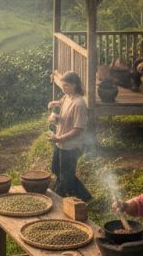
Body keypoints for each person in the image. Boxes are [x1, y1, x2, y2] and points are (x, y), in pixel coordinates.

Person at [47, 71, 92, 202]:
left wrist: (60, 138)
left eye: (66, 85)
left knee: (66, 175)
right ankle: (85, 196)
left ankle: (59, 197)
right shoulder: (66, 97)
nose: (64, 88)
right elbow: (60, 108)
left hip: (71, 145)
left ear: (75, 85)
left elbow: (78, 129)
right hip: (59, 141)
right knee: (56, 168)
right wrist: (54, 116)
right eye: (63, 85)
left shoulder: (79, 104)